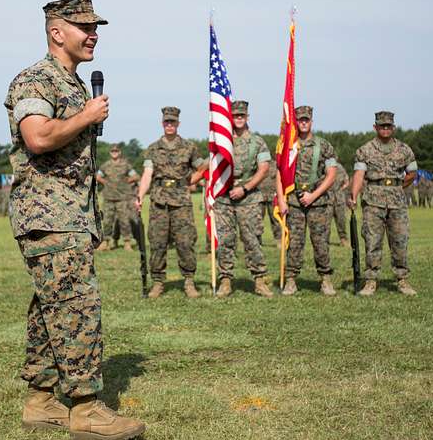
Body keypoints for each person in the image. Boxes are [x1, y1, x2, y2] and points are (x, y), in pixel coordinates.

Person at [3, 0, 144, 440]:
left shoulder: (76, 84)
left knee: (53, 307)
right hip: (49, 215)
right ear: (56, 32)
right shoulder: (35, 80)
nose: (93, 34)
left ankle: (41, 401)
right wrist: (85, 116)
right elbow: (38, 137)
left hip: (72, 215)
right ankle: (86, 409)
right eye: (84, 27)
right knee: (77, 305)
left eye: (95, 26)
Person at [135, 107, 205, 298]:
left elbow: (203, 167)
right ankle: (158, 282)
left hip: (182, 202)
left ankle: (189, 281)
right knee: (157, 242)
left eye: (173, 122)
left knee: (185, 242)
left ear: (178, 124)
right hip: (159, 202)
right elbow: (147, 174)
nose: (170, 125)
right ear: (162, 123)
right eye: (167, 122)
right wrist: (141, 195)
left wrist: (191, 182)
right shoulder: (152, 148)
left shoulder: (189, 147)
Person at [349, 110, 418, 296]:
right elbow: (359, 175)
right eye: (382, 125)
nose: (385, 128)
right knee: (372, 240)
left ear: (393, 128)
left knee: (400, 240)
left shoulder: (404, 150)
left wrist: (397, 186)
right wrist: (353, 195)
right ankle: (371, 281)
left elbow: (412, 173)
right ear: (375, 127)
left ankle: (402, 280)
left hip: (397, 201)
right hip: (373, 201)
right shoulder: (365, 150)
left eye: (388, 126)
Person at [275, 106, 338, 296]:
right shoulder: (288, 146)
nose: (303, 123)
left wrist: (314, 195)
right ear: (295, 122)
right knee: (294, 243)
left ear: (311, 121)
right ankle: (291, 280)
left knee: (320, 242)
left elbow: (331, 174)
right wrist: (282, 200)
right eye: (300, 120)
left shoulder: (323, 146)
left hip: (317, 203)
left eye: (306, 120)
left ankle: (325, 279)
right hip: (293, 202)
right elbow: (279, 173)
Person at [214, 100, 273, 298]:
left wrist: (245, 188)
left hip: (249, 198)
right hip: (224, 199)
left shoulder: (258, 142)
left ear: (247, 117)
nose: (238, 119)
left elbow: (264, 169)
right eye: (235, 116)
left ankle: (259, 280)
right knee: (225, 241)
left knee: (252, 240)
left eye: (242, 116)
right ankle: (225, 281)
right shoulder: (222, 140)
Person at [96, 143, 138, 251]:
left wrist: (126, 181)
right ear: (110, 153)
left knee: (124, 221)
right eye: (112, 151)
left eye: (116, 151)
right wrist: (105, 181)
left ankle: (127, 243)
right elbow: (97, 176)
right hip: (109, 197)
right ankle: (105, 243)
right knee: (107, 221)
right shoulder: (106, 165)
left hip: (122, 198)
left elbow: (135, 176)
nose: (114, 153)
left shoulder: (126, 165)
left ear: (119, 152)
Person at [330, 160, 350, 247]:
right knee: (324, 222)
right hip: (327, 199)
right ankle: (323, 241)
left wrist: (340, 190)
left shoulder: (340, 168)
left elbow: (346, 181)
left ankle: (343, 239)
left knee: (341, 221)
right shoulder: (323, 167)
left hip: (339, 199)